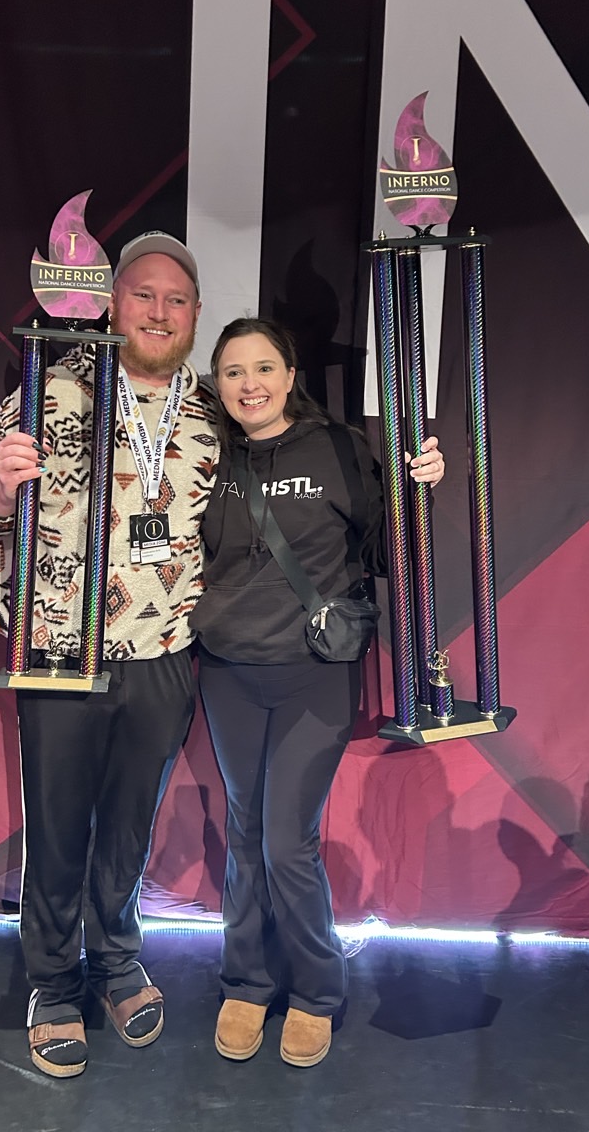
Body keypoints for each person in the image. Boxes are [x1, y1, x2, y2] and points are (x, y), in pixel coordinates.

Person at [0, 232, 218, 1079]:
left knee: (128, 829)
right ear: (110, 302)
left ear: (195, 317)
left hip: (165, 650)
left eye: (176, 300)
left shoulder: (212, 411)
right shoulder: (51, 385)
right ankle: (54, 984)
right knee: (60, 829)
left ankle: (115, 959)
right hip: (61, 649)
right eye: (143, 294)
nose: (159, 311)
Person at [190, 316, 444, 1069]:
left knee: (284, 840)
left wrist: (418, 491)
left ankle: (316, 993)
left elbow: (389, 550)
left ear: (291, 372)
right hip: (229, 672)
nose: (250, 385)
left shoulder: (336, 448)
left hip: (315, 673)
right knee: (244, 832)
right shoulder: (208, 455)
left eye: (264, 367)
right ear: (217, 382)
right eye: (233, 372)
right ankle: (247, 982)